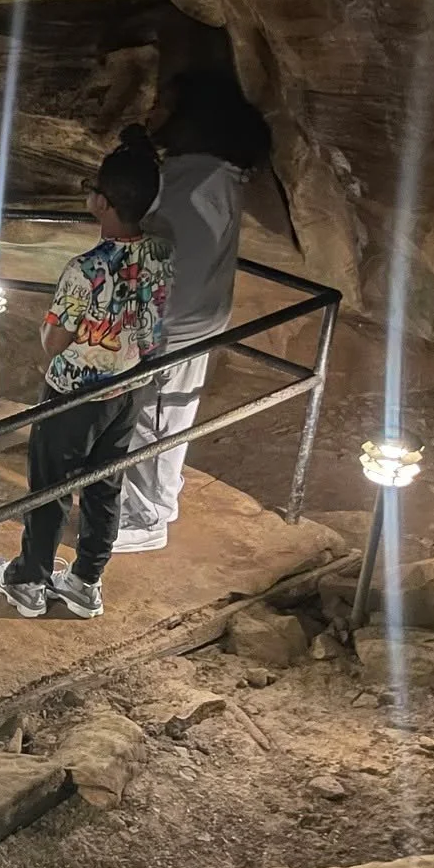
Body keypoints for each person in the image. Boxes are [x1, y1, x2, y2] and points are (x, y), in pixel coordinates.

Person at [0, 131, 173, 621]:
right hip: (129, 385)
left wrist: (50, 327)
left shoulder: (85, 269)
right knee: (104, 483)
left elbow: (54, 342)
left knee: (50, 487)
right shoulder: (160, 252)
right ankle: (86, 579)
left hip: (72, 395)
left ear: (101, 202)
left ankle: (30, 579)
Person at [114, 73, 273, 552]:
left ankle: (147, 518)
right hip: (183, 317)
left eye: (163, 104)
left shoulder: (197, 182)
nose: (152, 112)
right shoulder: (206, 172)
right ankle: (153, 497)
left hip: (174, 321)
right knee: (160, 413)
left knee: (156, 417)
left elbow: (168, 252)